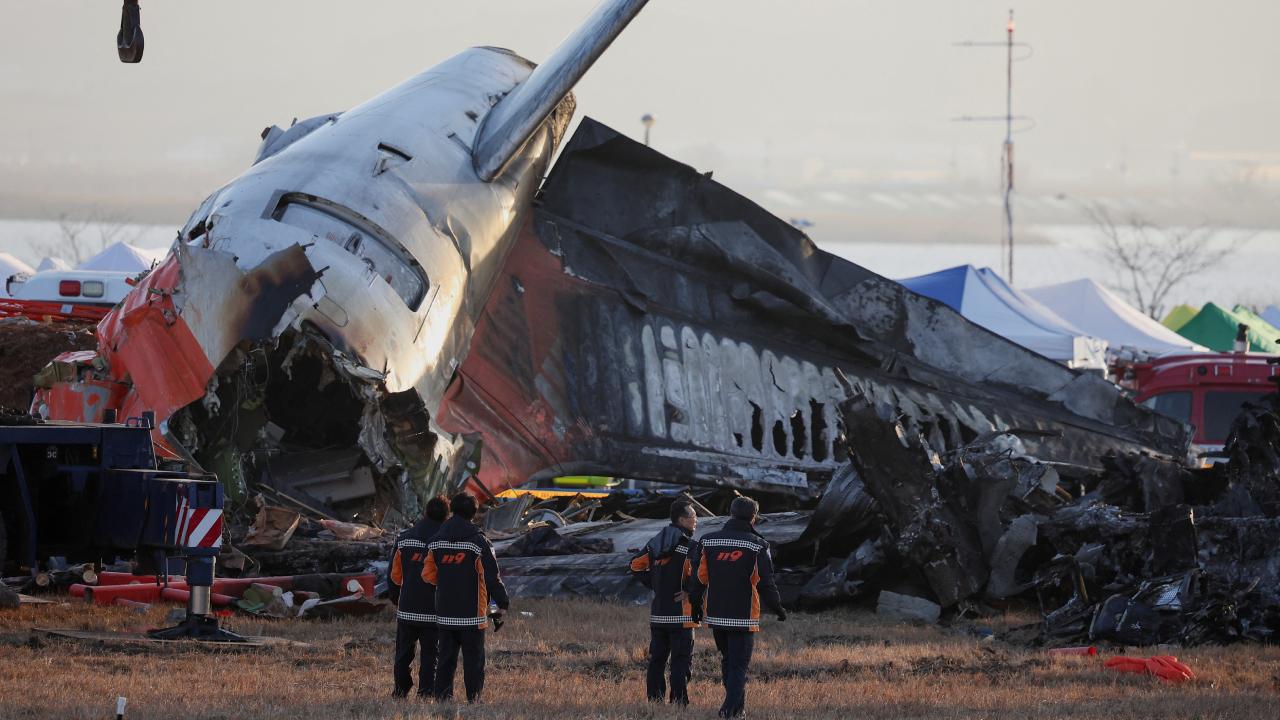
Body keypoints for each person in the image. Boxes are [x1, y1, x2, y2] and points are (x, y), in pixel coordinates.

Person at [687, 496, 786, 719]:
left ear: (731, 514)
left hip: (717, 615)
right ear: (754, 518)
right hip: (744, 616)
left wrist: (695, 605)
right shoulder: (758, 544)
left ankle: (738, 710)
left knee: (728, 660)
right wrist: (778, 607)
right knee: (739, 666)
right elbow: (765, 581)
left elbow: (699, 579)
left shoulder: (708, 541)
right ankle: (728, 710)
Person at [421, 493, 509, 703]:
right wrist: (502, 603)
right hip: (472, 616)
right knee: (474, 661)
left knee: (445, 659)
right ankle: (473, 699)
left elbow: (428, 575)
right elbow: (491, 577)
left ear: (452, 510)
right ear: (474, 512)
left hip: (445, 613)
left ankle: (442, 699)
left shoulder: (435, 542)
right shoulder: (479, 542)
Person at [629, 499, 701, 705]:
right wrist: (689, 590)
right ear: (681, 520)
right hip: (682, 617)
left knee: (657, 661)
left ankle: (655, 701)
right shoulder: (690, 547)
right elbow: (703, 575)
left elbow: (634, 565)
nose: (695, 520)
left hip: (659, 615)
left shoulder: (654, 543)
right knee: (680, 662)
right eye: (692, 517)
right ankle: (679, 703)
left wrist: (655, 584)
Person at [388, 495, 450, 698]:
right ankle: (425, 692)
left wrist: (397, 598)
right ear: (447, 516)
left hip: (407, 608)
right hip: (434, 610)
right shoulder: (446, 543)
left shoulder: (404, 539)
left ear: (425, 512)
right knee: (431, 655)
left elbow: (394, 576)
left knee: (403, 655)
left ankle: (400, 690)